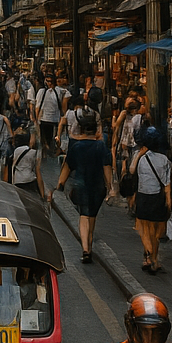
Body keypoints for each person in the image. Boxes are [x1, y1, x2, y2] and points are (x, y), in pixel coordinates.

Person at [50, 110, 112, 263]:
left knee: (83, 215)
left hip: (81, 185)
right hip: (97, 186)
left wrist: (60, 184)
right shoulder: (101, 147)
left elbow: (67, 167)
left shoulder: (76, 147)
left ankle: (85, 248)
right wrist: (110, 186)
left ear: (82, 129)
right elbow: (107, 168)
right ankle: (89, 245)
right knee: (92, 216)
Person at [128, 126, 172, 274]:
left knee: (144, 228)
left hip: (143, 196)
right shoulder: (164, 159)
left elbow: (132, 171)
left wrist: (140, 153)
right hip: (157, 197)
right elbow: (167, 184)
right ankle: (154, 259)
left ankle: (149, 254)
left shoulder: (139, 156)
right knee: (155, 232)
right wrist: (168, 200)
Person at [33, 72, 68, 163]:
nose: (49, 83)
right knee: (44, 138)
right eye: (47, 81)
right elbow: (37, 106)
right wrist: (36, 119)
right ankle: (46, 153)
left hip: (54, 119)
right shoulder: (42, 91)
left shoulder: (58, 91)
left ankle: (50, 152)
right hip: (44, 119)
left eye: (50, 81)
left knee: (52, 138)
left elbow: (67, 95)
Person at [9, 126, 45, 198]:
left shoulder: (16, 151)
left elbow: (11, 167)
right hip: (30, 180)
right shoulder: (34, 152)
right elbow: (38, 172)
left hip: (17, 180)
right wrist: (42, 194)